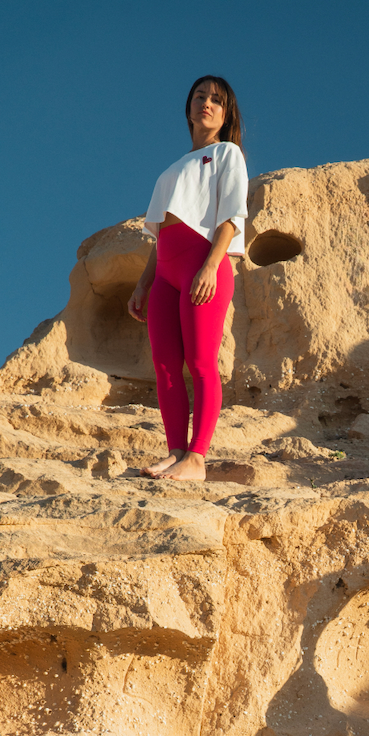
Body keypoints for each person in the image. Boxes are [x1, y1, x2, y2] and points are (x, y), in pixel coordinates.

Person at [127, 76, 249, 480]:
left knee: (199, 362)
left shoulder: (228, 154)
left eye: (216, 100)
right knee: (165, 366)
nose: (207, 104)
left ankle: (197, 457)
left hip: (203, 265)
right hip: (165, 273)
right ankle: (175, 450)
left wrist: (212, 266)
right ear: (188, 108)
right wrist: (144, 284)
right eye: (200, 97)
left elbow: (232, 217)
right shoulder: (170, 171)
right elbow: (158, 233)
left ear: (226, 113)